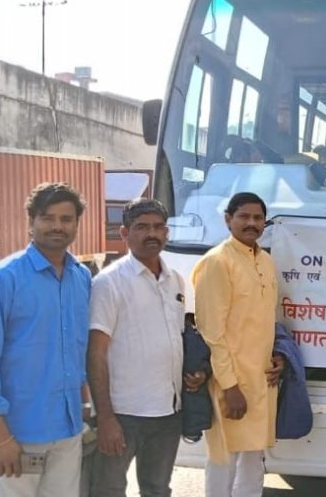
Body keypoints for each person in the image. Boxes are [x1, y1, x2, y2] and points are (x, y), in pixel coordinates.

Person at [87, 198, 205, 496]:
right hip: (123, 413)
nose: (151, 234)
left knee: (157, 489)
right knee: (108, 489)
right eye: (141, 227)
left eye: (158, 227)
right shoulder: (109, 283)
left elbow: (176, 339)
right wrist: (105, 417)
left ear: (167, 232)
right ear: (125, 233)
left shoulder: (175, 281)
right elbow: (96, 353)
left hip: (168, 412)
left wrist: (193, 374)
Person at [0, 182, 91, 496]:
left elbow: (77, 349)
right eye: (47, 218)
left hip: (68, 430)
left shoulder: (81, 277)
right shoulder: (3, 279)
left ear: (76, 224)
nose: (57, 226)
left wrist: (85, 403)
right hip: (18, 434)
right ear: (30, 222)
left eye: (66, 219)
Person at [191, 192, 284, 497]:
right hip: (229, 383)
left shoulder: (266, 262)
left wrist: (278, 356)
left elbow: (265, 321)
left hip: (261, 381)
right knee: (224, 460)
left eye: (258, 218)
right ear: (228, 219)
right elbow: (211, 333)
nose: (251, 223)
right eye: (244, 216)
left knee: (253, 460)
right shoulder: (217, 262)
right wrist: (230, 386)